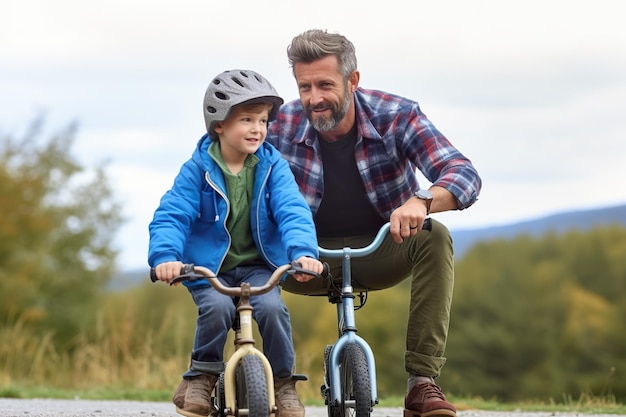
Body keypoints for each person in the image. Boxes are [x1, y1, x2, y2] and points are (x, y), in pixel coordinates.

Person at [266, 30, 482, 417]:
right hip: (302, 255)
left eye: (325, 85)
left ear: (353, 80)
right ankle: (262, 380)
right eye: (304, 86)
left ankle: (422, 382)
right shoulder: (277, 124)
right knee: (243, 244)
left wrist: (422, 201)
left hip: (381, 246)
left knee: (435, 238)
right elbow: (226, 168)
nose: (314, 98)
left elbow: (463, 174)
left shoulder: (397, 115)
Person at [149, 69, 323, 417]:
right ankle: (202, 375)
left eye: (262, 120)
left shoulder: (273, 166)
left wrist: (302, 252)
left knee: (273, 311)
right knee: (216, 308)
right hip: (207, 267)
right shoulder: (198, 168)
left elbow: (292, 210)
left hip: (258, 266)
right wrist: (166, 256)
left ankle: (284, 383)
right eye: (246, 119)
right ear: (219, 126)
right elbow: (173, 214)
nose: (258, 128)